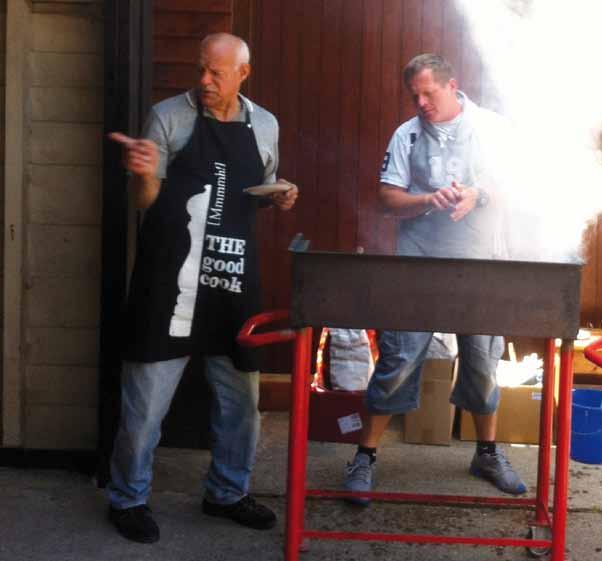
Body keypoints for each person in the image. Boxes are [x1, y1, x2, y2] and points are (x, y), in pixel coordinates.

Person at [106, 33, 298, 543]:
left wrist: (280, 197)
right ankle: (128, 498)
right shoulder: (169, 116)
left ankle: (227, 492)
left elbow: (259, 187)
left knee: (240, 404)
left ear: (242, 73)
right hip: (168, 281)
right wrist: (144, 174)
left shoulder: (265, 125)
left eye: (216, 73)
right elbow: (146, 201)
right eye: (200, 71)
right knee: (145, 405)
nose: (205, 82)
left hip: (231, 282)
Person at [343, 53, 525, 505]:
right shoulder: (406, 135)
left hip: (481, 261)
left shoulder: (490, 128)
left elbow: (519, 186)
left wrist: (477, 194)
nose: (421, 103)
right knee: (398, 358)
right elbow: (387, 198)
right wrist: (428, 199)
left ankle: (487, 453)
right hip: (419, 264)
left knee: (483, 363)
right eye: (415, 95)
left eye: (429, 92)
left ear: (452, 85)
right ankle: (364, 457)